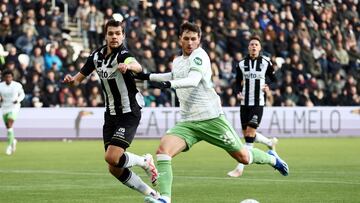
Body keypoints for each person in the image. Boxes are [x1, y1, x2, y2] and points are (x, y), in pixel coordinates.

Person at [136, 22, 289, 203]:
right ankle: (165, 199)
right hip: (188, 122)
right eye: (186, 38)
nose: (190, 42)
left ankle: (272, 159)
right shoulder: (177, 61)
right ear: (180, 40)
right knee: (163, 151)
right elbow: (171, 76)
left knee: (244, 157)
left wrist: (167, 85)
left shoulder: (201, 55)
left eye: (194, 39)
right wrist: (145, 76)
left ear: (199, 40)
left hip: (211, 118)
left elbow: (193, 80)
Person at [62, 19, 159, 199]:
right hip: (111, 114)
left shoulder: (123, 55)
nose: (114, 37)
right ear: (105, 35)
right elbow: (78, 79)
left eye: (118, 34)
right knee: (114, 168)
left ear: (123, 35)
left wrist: (128, 66)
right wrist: (71, 81)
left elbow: (137, 66)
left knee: (112, 157)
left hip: (129, 112)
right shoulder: (96, 56)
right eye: (111, 33)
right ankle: (152, 194)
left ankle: (145, 161)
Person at [227, 36, 280, 177]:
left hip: (258, 103)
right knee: (247, 135)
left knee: (250, 134)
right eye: (252, 44)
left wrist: (268, 86)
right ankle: (269, 142)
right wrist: (238, 92)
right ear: (248, 47)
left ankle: (240, 168)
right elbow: (237, 81)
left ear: (260, 48)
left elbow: (274, 80)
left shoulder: (265, 63)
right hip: (244, 104)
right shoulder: (242, 64)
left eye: (256, 44)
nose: (254, 47)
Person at [0, 70, 25, 155]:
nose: (8, 78)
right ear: (4, 78)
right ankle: (13, 140)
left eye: (9, 77)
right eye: (6, 77)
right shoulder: (1, 86)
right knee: (8, 127)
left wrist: (17, 100)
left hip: (14, 107)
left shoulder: (17, 85)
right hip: (4, 107)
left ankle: (9, 146)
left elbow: (22, 94)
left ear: (12, 77)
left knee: (10, 124)